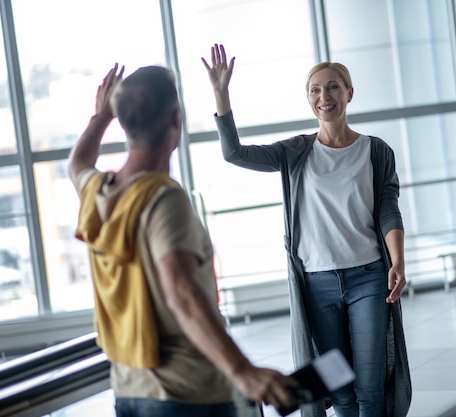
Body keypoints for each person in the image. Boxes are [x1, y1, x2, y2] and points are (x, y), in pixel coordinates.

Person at [68, 63, 298, 417]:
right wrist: (243, 373)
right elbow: (181, 293)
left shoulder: (97, 192)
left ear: (124, 122)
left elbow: (78, 161)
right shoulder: (162, 199)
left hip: (130, 391)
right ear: (176, 120)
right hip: (188, 395)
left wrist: (100, 118)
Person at [202, 44, 412, 417]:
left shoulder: (376, 151)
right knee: (339, 387)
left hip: (368, 278)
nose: (323, 96)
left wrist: (398, 261)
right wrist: (221, 94)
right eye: (315, 90)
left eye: (332, 87)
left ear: (349, 93)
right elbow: (234, 153)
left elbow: (387, 210)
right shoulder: (296, 152)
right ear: (309, 100)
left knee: (370, 386)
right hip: (317, 286)